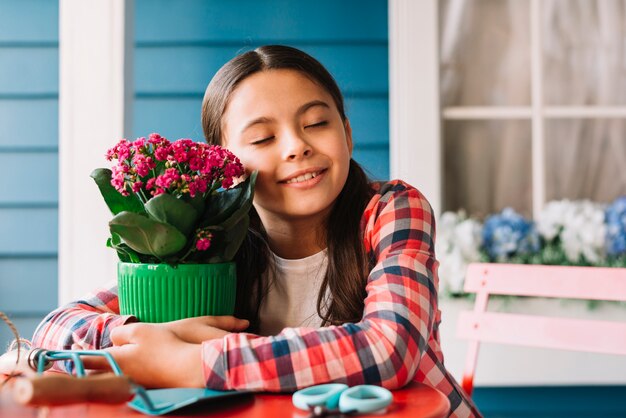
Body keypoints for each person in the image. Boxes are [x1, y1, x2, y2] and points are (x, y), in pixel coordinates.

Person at [32, 45, 481, 417]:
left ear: (347, 133)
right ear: (226, 164)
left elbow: (388, 348)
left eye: (316, 124)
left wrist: (190, 362)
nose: (296, 146)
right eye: (263, 139)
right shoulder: (207, 237)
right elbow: (56, 327)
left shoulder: (391, 210)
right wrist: (137, 338)